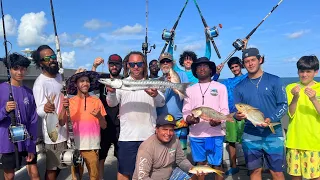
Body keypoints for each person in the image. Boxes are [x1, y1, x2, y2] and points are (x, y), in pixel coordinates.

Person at [106, 51, 165, 180]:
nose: (136, 67)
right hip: (127, 137)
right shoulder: (121, 83)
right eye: (132, 64)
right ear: (128, 65)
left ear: (144, 65)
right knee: (124, 172)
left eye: (139, 64)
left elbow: (161, 103)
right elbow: (112, 103)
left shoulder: (152, 83)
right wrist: (111, 92)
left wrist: (155, 95)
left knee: (148, 172)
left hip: (149, 136)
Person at [234, 48, 288, 180]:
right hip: (250, 134)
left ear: (260, 60)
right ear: (243, 64)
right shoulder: (239, 87)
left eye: (253, 60)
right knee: (254, 171)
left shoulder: (275, 80)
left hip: (273, 134)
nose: (250, 63)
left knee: (276, 172)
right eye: (246, 61)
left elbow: (283, 104)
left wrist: (272, 118)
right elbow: (236, 111)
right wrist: (237, 116)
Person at [182, 57, 229, 180]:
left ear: (211, 70)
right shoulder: (189, 90)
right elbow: (186, 111)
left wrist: (219, 120)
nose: (202, 68)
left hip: (215, 133)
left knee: (217, 165)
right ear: (195, 71)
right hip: (196, 134)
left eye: (205, 66)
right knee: (199, 166)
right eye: (198, 66)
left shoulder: (220, 87)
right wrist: (189, 119)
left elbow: (224, 109)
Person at [59, 69, 107, 180]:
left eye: (87, 81)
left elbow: (104, 125)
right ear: (76, 84)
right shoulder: (69, 102)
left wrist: (99, 116)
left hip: (92, 146)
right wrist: (63, 109)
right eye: (82, 81)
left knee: (94, 177)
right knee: (76, 178)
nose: (85, 83)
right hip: (74, 147)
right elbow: (61, 122)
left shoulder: (97, 101)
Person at [0, 53, 40, 180]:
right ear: (9, 69)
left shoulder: (29, 92)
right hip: (7, 141)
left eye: (23, 68)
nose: (20, 72)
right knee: (9, 175)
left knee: (34, 173)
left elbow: (33, 120)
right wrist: (4, 110)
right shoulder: (1, 89)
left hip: (26, 140)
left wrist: (31, 144)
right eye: (16, 68)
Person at [32, 45, 68, 180]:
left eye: (53, 56)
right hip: (53, 134)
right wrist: (45, 108)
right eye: (47, 58)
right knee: (52, 169)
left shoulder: (59, 77)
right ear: (41, 63)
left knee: (62, 164)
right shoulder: (40, 83)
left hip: (65, 130)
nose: (52, 60)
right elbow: (39, 109)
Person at [285, 55, 320, 180]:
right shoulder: (290, 88)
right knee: (295, 177)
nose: (304, 75)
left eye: (308, 71)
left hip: (314, 143)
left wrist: (314, 99)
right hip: (294, 141)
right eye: (302, 71)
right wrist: (295, 97)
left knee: (315, 177)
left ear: (315, 72)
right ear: (298, 71)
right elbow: (290, 113)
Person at [132, 113, 197, 180]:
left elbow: (181, 160)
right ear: (157, 130)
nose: (168, 133)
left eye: (171, 130)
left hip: (169, 176)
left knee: (192, 177)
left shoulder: (175, 139)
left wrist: (193, 169)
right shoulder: (147, 148)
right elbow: (142, 177)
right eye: (165, 129)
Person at [91, 54, 123, 180]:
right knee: (101, 155)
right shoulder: (102, 78)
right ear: (108, 65)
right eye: (112, 64)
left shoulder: (124, 80)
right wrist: (94, 66)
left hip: (120, 124)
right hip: (104, 123)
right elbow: (91, 81)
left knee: (121, 156)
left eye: (117, 64)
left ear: (121, 66)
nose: (114, 67)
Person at [156, 52, 189, 154]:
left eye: (168, 61)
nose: (165, 64)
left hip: (179, 122)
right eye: (163, 62)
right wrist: (167, 86)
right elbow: (160, 101)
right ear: (160, 65)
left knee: (181, 154)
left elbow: (187, 96)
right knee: (164, 155)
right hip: (163, 124)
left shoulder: (182, 75)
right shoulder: (158, 80)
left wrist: (176, 89)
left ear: (172, 63)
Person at [221, 57, 247, 176]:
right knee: (231, 141)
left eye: (236, 66)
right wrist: (217, 72)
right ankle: (234, 166)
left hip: (244, 114)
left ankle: (250, 165)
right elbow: (214, 81)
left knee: (246, 141)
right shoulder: (227, 81)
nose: (234, 69)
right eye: (232, 67)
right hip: (230, 115)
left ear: (241, 66)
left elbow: (251, 67)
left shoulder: (246, 78)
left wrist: (244, 49)